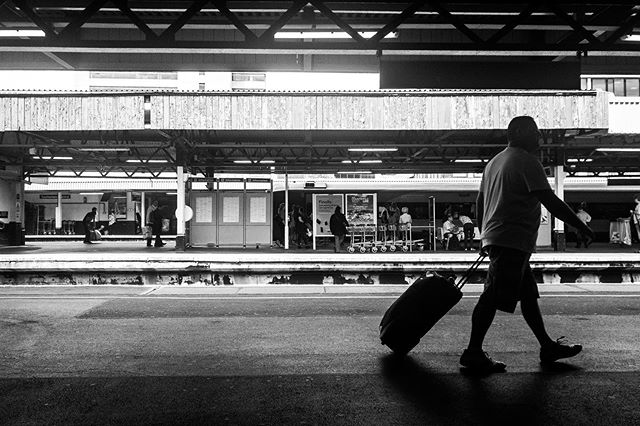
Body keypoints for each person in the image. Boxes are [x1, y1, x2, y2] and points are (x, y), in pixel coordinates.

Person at [460, 116, 595, 373]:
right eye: (535, 132)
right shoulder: (526, 161)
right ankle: (473, 352)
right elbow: (550, 200)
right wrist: (581, 226)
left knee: (528, 296)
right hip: (511, 240)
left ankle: (547, 346)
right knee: (491, 296)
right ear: (519, 132)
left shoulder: (494, 163)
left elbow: (480, 202)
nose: (539, 138)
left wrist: (483, 234)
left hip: (502, 238)